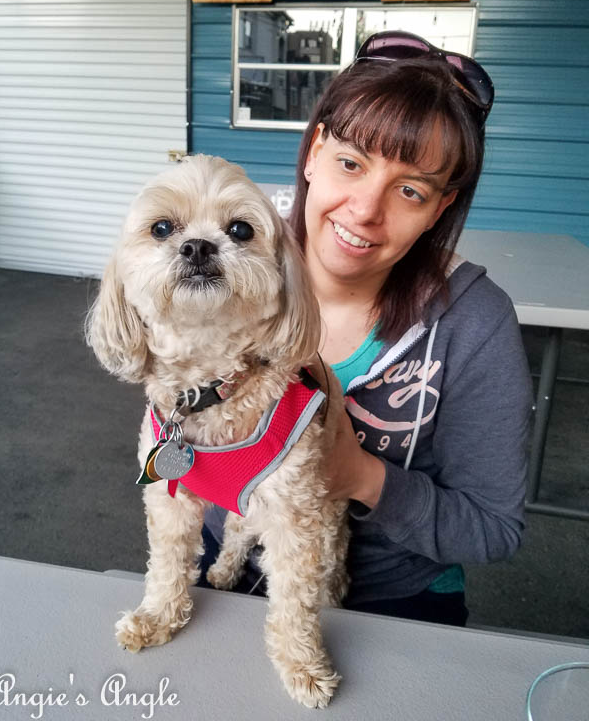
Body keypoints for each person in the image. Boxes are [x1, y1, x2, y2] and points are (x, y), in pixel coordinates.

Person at [201, 31, 533, 626]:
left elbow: (493, 528)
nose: (364, 209)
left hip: (388, 604)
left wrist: (361, 476)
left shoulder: (475, 324)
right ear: (313, 152)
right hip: (227, 571)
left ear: (439, 208)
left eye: (410, 190)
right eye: (350, 163)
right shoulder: (226, 262)